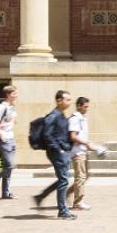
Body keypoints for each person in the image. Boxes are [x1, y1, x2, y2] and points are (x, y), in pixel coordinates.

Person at [33, 90, 77, 219]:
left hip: (62, 152)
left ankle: (40, 196)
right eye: (67, 99)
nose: (70, 102)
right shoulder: (54, 116)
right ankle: (62, 211)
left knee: (62, 179)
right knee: (64, 180)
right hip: (57, 153)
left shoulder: (61, 115)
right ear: (59, 100)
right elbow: (47, 134)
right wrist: (59, 150)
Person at [68, 96, 107, 211]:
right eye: (85, 107)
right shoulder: (75, 118)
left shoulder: (82, 118)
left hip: (83, 151)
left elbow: (81, 136)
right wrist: (87, 144)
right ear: (79, 105)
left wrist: (92, 146)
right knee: (80, 177)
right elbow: (73, 136)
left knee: (85, 176)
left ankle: (69, 193)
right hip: (77, 152)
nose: (87, 109)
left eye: (87, 107)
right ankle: (77, 203)